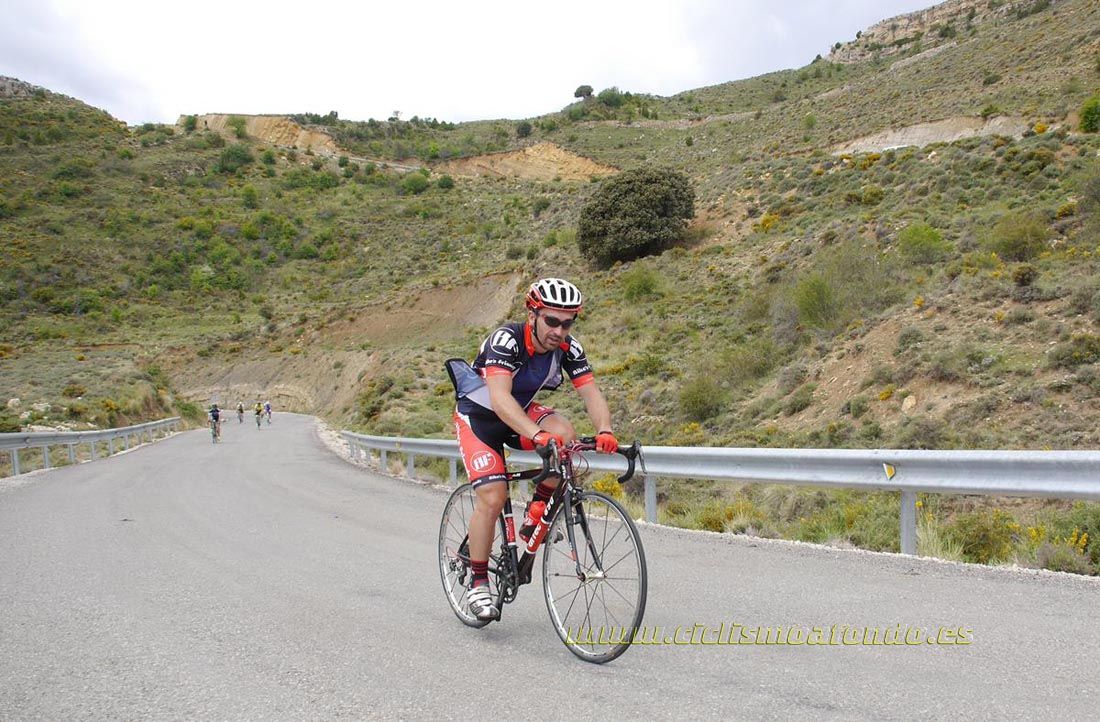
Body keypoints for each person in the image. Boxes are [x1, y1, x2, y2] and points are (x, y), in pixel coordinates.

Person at [449, 278, 618, 621]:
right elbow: (498, 398)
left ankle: (535, 511)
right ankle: (479, 583)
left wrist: (605, 430)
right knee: (493, 497)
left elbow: (591, 393)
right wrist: (537, 435)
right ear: (533, 314)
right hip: (480, 419)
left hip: (520, 413)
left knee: (566, 438)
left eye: (567, 323)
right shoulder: (506, 340)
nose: (559, 330)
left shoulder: (569, 348)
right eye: (552, 321)